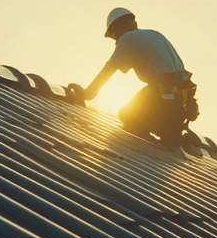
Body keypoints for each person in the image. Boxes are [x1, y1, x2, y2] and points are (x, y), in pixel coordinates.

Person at [70, 8, 200, 147]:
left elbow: (108, 70)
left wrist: (87, 94)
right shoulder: (154, 34)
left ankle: (163, 138)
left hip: (163, 98)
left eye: (114, 37)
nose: (116, 42)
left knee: (128, 115)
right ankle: (172, 134)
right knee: (165, 132)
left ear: (117, 30)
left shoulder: (127, 39)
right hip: (182, 103)